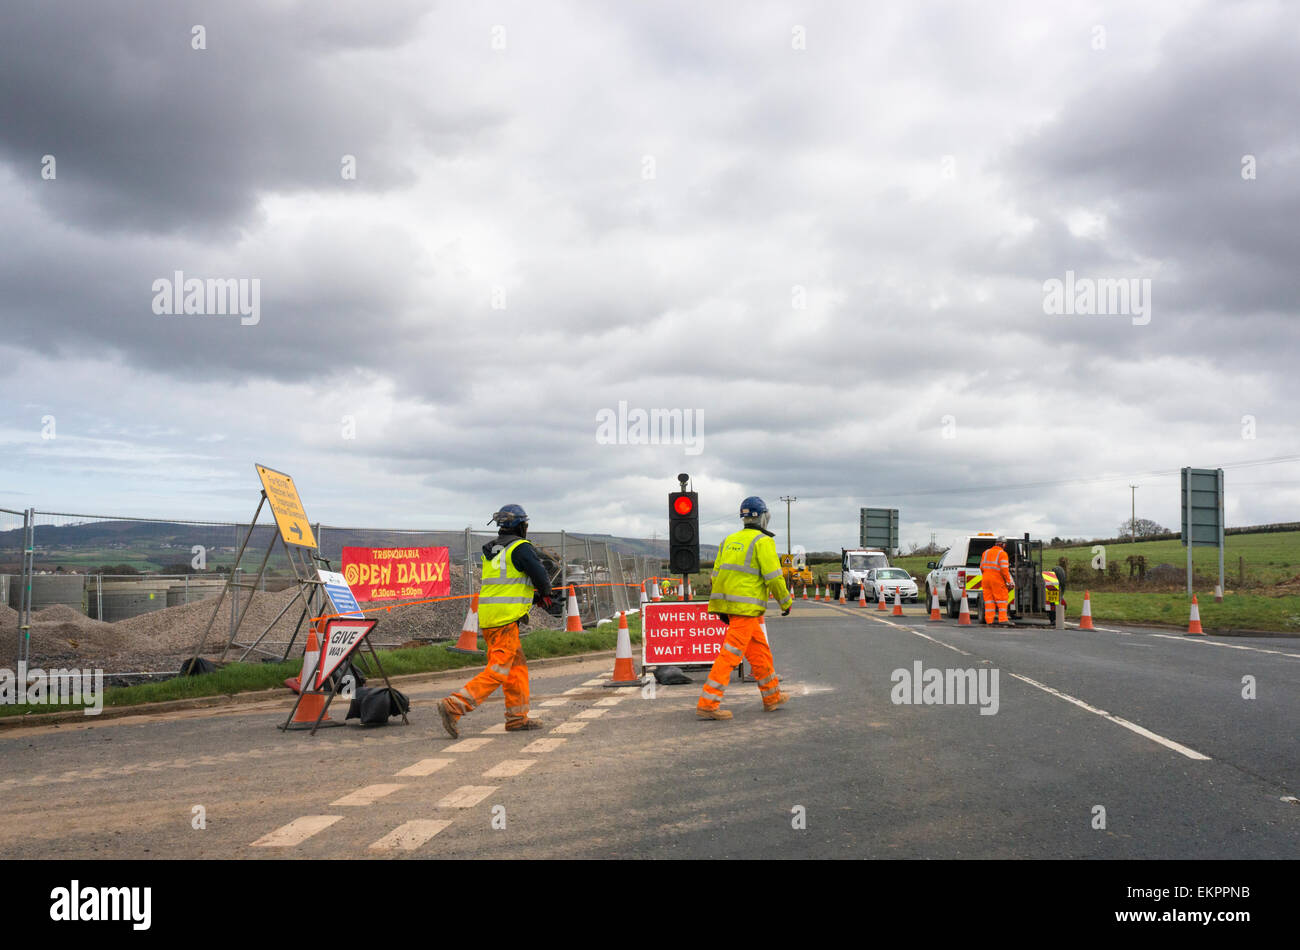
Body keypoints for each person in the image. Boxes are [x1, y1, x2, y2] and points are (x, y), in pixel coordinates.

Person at [437, 504, 553, 738]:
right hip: (504, 619)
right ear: (521, 526)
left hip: (491, 616)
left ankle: (517, 718)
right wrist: (546, 593)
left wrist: (534, 596)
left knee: (516, 667)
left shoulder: (493, 549)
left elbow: (509, 583)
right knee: (499, 669)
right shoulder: (520, 547)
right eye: (525, 524)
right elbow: (538, 573)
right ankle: (456, 704)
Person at [697, 496, 793, 720]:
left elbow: (716, 576)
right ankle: (708, 703)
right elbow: (774, 578)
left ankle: (772, 697)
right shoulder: (763, 541)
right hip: (746, 610)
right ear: (762, 518)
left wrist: (721, 606)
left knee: (760, 652)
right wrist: (785, 602)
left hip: (732, 608)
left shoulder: (728, 540)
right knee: (730, 655)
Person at [980, 536, 1015, 626]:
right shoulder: (1002, 554)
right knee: (1002, 599)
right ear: (1003, 544)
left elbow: (981, 567)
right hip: (997, 579)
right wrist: (1009, 581)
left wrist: (986, 575)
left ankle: (989, 620)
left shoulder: (986, 552)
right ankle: (1003, 619)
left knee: (989, 600)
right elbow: (1004, 569)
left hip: (985, 579)